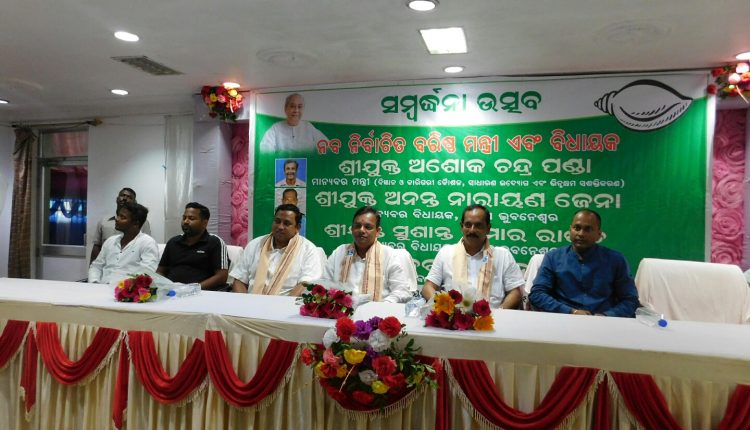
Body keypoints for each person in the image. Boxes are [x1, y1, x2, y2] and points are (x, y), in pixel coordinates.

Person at [528, 209, 639, 317]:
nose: (581, 234)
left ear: (599, 234)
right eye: (577, 228)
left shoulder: (616, 260)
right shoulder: (553, 257)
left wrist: (606, 316)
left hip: (605, 321)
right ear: (570, 230)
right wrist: (571, 312)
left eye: (588, 229)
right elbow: (537, 294)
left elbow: (630, 300)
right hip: (564, 318)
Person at [422, 204, 525, 309]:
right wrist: (442, 306)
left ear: (488, 228)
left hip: (492, 316)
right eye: (468, 225)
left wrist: (500, 312)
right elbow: (428, 287)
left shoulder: (503, 255)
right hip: (453, 316)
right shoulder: (446, 252)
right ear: (461, 226)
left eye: (478, 225)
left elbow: (515, 292)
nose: (472, 230)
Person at [324, 206, 413, 303]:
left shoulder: (389, 255)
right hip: (342, 310)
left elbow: (402, 291)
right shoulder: (340, 252)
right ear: (352, 229)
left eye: (368, 227)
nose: (361, 230)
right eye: (357, 226)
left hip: (379, 310)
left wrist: (384, 305)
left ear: (378, 231)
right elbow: (324, 283)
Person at [230, 204, 323, 295]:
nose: (280, 227)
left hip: (287, 303)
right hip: (251, 302)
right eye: (277, 221)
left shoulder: (308, 250)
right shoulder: (255, 244)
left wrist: (285, 304)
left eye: (286, 223)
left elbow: (305, 285)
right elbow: (239, 280)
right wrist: (245, 303)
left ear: (297, 227)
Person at [156, 202, 229, 290]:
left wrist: (193, 289)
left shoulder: (214, 242)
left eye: (191, 218)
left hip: (202, 292)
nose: (186, 221)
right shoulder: (173, 242)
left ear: (204, 223)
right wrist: (165, 286)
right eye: (184, 218)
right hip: (172, 292)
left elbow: (222, 276)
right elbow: (160, 272)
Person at [88, 202, 159, 284]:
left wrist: (125, 288)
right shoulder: (111, 241)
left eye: (122, 217)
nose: (117, 219)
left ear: (136, 223)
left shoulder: (147, 242)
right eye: (118, 215)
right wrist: (94, 282)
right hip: (101, 287)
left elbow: (147, 273)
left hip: (126, 290)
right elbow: (96, 266)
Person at [90, 187, 151, 262]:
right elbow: (97, 246)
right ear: (117, 199)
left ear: (134, 202)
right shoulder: (104, 221)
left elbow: (146, 246)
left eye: (129, 197)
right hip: (106, 265)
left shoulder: (141, 222)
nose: (125, 198)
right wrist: (92, 266)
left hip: (130, 265)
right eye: (122, 195)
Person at [259, 93, 327, 153]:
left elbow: (326, 146)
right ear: (285, 108)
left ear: (303, 109)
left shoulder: (309, 127)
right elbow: (265, 150)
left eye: (299, 107)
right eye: (292, 106)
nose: (296, 110)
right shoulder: (275, 129)